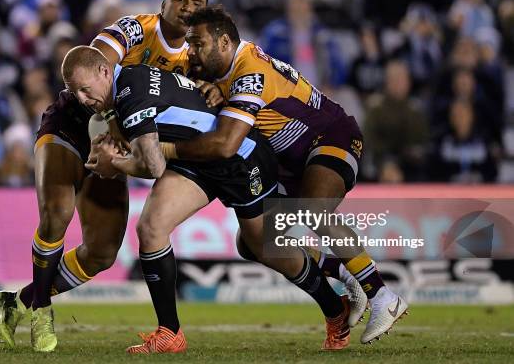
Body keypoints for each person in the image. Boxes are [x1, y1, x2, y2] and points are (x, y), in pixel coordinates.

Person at [63, 45, 352, 353]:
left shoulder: (131, 98)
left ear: (104, 71)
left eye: (84, 89)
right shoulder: (128, 80)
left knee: (264, 247)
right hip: (195, 159)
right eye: (74, 92)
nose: (81, 98)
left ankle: (336, 310)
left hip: (241, 160)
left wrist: (114, 164)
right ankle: (169, 333)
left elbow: (153, 166)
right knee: (150, 228)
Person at [162, 6, 407, 344]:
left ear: (223, 42)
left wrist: (166, 150)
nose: (192, 51)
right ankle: (344, 273)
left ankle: (382, 296)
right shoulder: (217, 68)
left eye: (199, 43)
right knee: (254, 242)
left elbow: (227, 143)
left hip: (329, 136)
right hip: (289, 163)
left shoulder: (251, 71)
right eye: (189, 43)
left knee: (313, 210)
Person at [0, 0, 211, 353]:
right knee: (57, 213)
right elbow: (95, 63)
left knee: (102, 253)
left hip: (116, 143)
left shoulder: (197, 57)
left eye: (197, 2)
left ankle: (18, 301)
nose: (188, 7)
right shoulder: (135, 28)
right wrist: (114, 123)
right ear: (164, 2)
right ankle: (42, 312)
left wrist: (215, 89)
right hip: (72, 126)